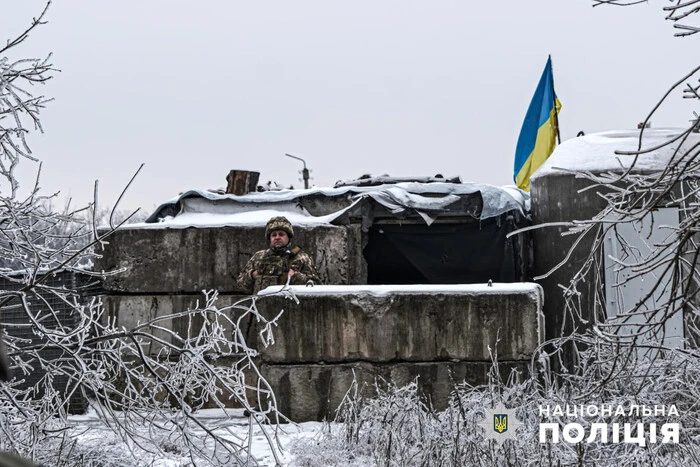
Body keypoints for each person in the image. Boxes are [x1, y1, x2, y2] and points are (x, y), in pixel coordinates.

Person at [236, 216, 320, 294]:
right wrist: (253, 274)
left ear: (288, 237)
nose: (277, 237)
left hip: (290, 307)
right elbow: (240, 285)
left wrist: (294, 276)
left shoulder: (301, 258)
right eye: (273, 235)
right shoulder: (259, 257)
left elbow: (316, 287)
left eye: (281, 234)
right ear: (270, 238)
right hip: (260, 306)